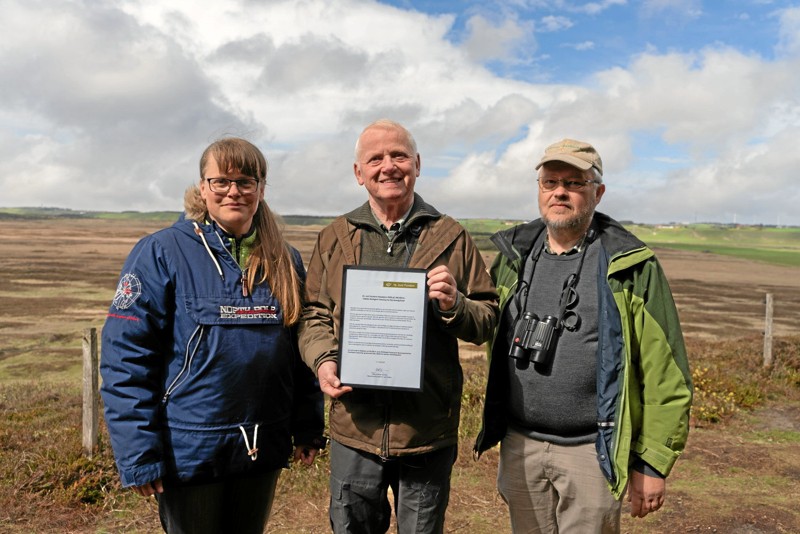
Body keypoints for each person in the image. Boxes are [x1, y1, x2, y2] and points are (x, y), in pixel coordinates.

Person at [100, 137, 325, 534]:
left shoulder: (284, 258)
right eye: (220, 181)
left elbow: (298, 350)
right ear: (202, 188)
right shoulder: (161, 252)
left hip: (261, 443)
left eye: (245, 181)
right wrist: (138, 452)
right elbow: (125, 358)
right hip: (189, 449)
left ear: (261, 188)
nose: (233, 191)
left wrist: (307, 424)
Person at [474, 138, 693, 533]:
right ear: (539, 190)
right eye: (550, 182)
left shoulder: (630, 266)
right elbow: (482, 322)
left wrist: (652, 461)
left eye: (574, 183)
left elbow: (667, 374)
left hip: (591, 452)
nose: (560, 191)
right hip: (520, 443)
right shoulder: (512, 257)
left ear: (598, 192)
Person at [299, 119, 499, 533]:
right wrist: (323, 361)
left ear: (417, 164)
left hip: (425, 430)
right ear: (359, 173)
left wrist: (455, 304)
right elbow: (313, 314)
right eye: (375, 158)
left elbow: (487, 317)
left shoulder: (452, 237)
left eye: (399, 155)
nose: (388, 165)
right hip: (355, 427)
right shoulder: (336, 237)